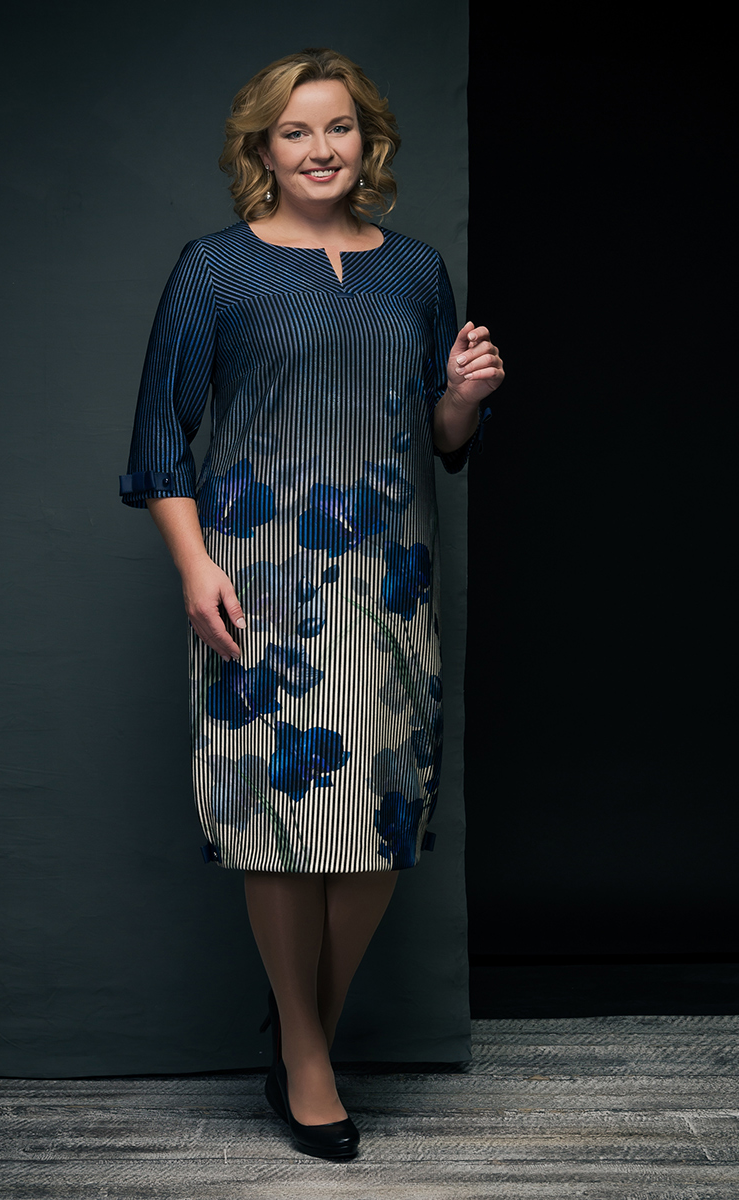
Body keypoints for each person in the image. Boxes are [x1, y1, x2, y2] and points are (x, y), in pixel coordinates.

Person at [119, 47, 504, 1160]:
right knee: (279, 823)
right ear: (263, 150)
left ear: (366, 140)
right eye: (295, 131)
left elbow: (440, 437)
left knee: (377, 827)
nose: (320, 148)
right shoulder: (215, 269)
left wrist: (464, 397)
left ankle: (303, 1031)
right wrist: (196, 568)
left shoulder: (418, 270)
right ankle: (305, 1058)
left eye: (338, 127)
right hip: (258, 575)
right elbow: (160, 439)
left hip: (390, 579)